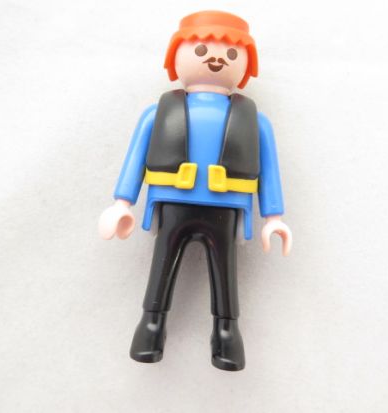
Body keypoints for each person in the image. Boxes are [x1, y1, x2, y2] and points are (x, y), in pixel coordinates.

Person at [99, 10, 292, 371]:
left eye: (231, 54)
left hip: (226, 207)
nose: (216, 60)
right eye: (201, 50)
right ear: (176, 57)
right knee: (161, 268)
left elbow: (270, 169)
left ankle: (227, 333)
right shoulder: (158, 113)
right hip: (174, 203)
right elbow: (135, 158)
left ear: (246, 65)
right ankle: (151, 326)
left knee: (225, 273)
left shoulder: (255, 121)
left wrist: (274, 216)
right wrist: (121, 202)